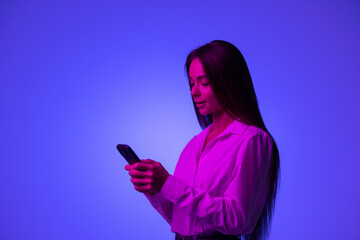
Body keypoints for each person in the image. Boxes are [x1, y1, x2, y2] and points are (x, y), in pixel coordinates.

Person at [124, 40, 280, 240]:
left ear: (229, 82)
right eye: (191, 83)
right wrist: (155, 189)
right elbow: (180, 219)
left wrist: (168, 183)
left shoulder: (252, 140)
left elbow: (237, 218)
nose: (194, 92)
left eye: (204, 83)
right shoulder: (194, 145)